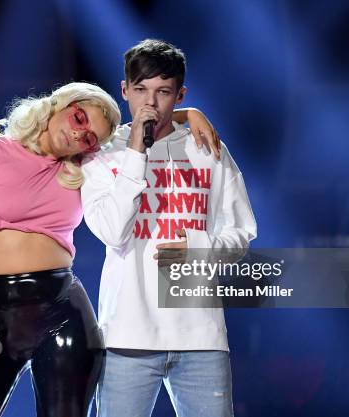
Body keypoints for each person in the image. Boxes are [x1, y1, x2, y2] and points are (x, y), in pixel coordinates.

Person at [81, 39, 257, 417]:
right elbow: (113, 232)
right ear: (124, 90)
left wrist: (197, 246)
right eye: (141, 90)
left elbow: (241, 233)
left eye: (163, 92)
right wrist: (135, 153)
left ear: (180, 95)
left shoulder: (207, 147)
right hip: (126, 335)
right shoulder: (101, 155)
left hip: (200, 336)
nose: (150, 103)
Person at [0, 82, 121, 417]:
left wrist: (190, 113)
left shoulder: (84, 170)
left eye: (90, 138)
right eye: (79, 118)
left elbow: (145, 131)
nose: (79, 135)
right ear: (62, 103)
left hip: (63, 309)